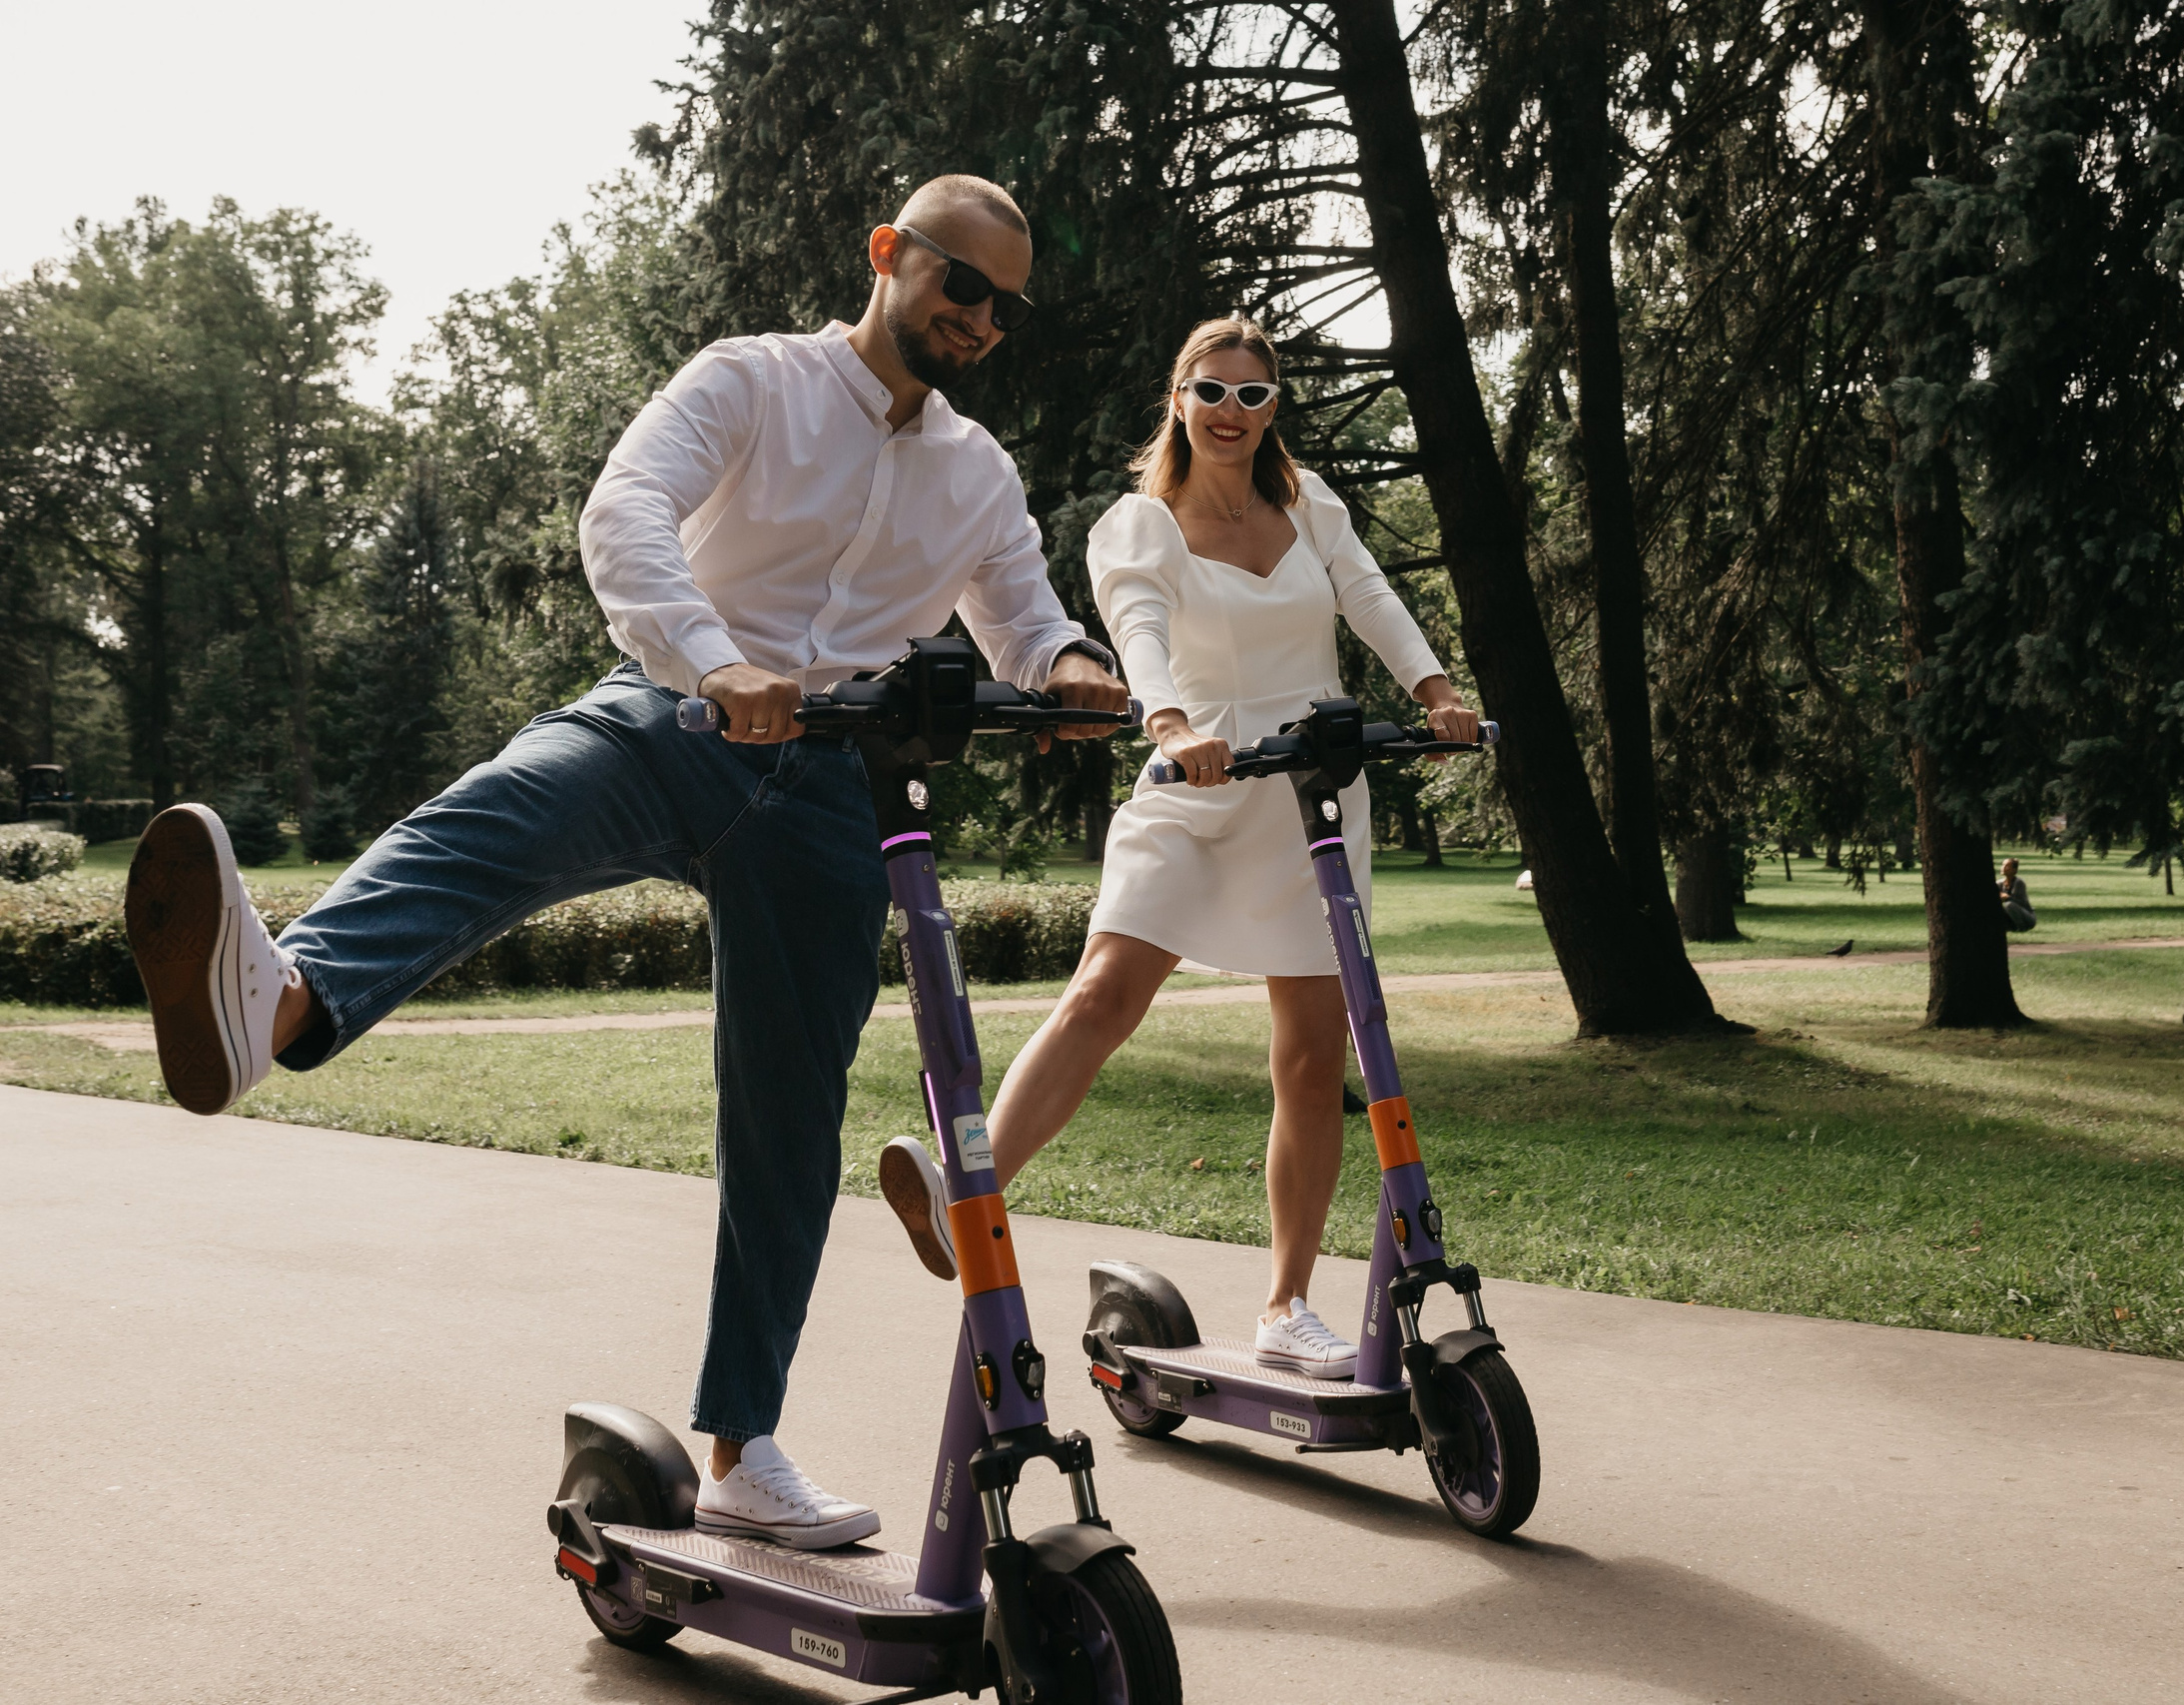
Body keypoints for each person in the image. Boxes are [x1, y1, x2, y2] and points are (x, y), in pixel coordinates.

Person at [119, 175, 1126, 1550]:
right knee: (493, 821)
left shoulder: (978, 471)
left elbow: (1022, 614)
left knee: (787, 1116)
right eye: (961, 282)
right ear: (890, 255)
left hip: (834, 788)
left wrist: (1070, 665)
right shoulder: (754, 382)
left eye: (1006, 305)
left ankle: (740, 1450)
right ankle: (274, 1007)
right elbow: (627, 507)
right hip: (678, 714)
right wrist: (717, 657)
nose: (980, 317)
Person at [877, 317, 1477, 1379]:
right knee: (1102, 993)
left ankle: (1288, 1305)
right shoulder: (1138, 525)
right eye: (1213, 392)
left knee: (1311, 1052)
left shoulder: (1308, 506)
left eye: (1254, 395)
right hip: (1193, 778)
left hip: (1308, 790)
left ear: (1272, 406)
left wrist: (1432, 690)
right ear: (1180, 399)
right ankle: (966, 1191)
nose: (1233, 414)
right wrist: (1167, 724)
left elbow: (1369, 595)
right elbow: (1138, 629)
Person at [1998, 856, 2037, 931]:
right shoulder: (1999, 883)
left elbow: (2022, 903)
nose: (2003, 868)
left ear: (2014, 870)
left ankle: (2022, 927)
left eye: (2007, 866)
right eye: (2003, 865)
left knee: (2009, 905)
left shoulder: (2019, 883)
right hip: (2011, 919)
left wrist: (2008, 897)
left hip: (2027, 917)